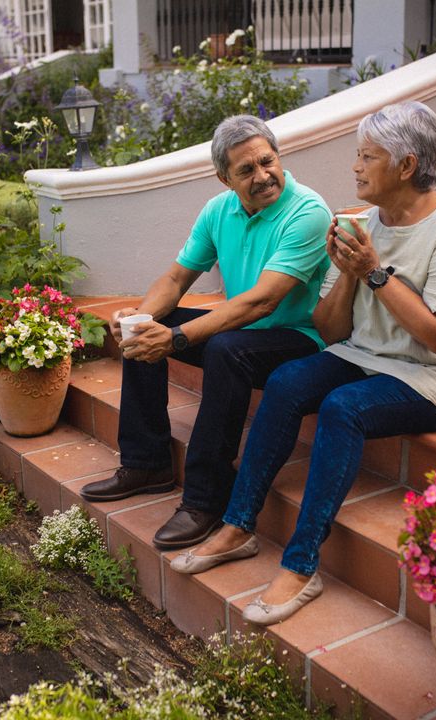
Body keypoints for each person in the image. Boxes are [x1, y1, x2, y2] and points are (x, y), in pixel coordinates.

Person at [168, 101, 436, 625]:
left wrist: (374, 271)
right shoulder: (362, 222)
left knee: (343, 408)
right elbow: (331, 331)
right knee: (288, 379)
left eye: (367, 156)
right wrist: (346, 273)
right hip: (366, 356)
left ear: (406, 166)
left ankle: (301, 565)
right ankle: (237, 526)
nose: (356, 167)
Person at [79, 114, 332, 551]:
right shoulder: (219, 210)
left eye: (267, 161)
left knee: (225, 349)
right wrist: (139, 319)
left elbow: (263, 301)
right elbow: (176, 280)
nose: (263, 175)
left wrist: (176, 339)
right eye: (246, 170)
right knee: (148, 327)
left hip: (299, 339)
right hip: (241, 330)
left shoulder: (308, 212)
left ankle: (205, 499)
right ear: (224, 178)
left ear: (278, 156)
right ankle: (147, 463)